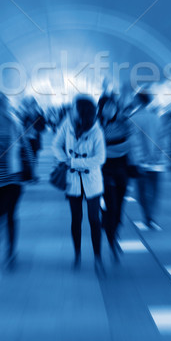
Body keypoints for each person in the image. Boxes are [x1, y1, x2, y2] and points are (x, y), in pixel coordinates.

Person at [53, 95, 106, 276]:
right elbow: (56, 145)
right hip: (73, 181)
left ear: (82, 111)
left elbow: (100, 158)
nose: (71, 110)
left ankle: (98, 256)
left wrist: (74, 163)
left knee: (94, 219)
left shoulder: (96, 130)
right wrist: (64, 160)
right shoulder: (67, 125)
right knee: (76, 219)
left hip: (92, 180)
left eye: (74, 107)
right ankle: (77, 254)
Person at [0, 93, 34, 270]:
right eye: (0, 106)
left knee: (10, 214)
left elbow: (25, 146)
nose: (4, 109)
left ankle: (11, 252)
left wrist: (31, 169)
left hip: (13, 178)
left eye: (5, 105)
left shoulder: (14, 123)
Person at [98, 94, 130, 261]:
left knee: (120, 206)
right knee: (112, 205)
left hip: (122, 171)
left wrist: (106, 149)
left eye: (113, 106)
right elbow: (95, 150)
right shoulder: (95, 125)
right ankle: (112, 240)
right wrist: (115, 149)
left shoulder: (125, 124)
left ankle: (113, 227)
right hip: (104, 172)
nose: (110, 109)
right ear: (101, 107)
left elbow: (128, 146)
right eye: (107, 106)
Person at [129, 90, 163, 230]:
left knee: (142, 191)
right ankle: (151, 214)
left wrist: (140, 158)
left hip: (141, 162)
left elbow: (134, 142)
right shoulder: (157, 118)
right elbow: (162, 139)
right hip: (157, 162)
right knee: (154, 190)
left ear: (138, 101)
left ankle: (146, 215)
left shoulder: (134, 119)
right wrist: (157, 155)